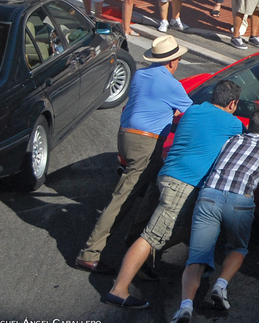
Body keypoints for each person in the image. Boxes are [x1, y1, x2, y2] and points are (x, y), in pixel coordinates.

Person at [105, 80, 245, 309]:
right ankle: (118, 289)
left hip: (165, 174)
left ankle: (142, 264)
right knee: (151, 236)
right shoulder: (233, 124)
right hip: (184, 184)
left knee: (176, 227)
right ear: (233, 103)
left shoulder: (194, 110)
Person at [76, 36, 192, 275]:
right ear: (172, 62)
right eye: (178, 59)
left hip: (126, 137)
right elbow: (192, 115)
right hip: (145, 144)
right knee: (123, 196)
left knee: (154, 186)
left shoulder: (140, 75)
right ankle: (90, 253)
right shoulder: (171, 84)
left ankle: (135, 237)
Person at [167, 110, 259, 323]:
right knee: (237, 247)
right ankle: (221, 285)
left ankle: (185, 306)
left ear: (249, 126)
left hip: (210, 196)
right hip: (240, 202)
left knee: (197, 256)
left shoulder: (232, 139)